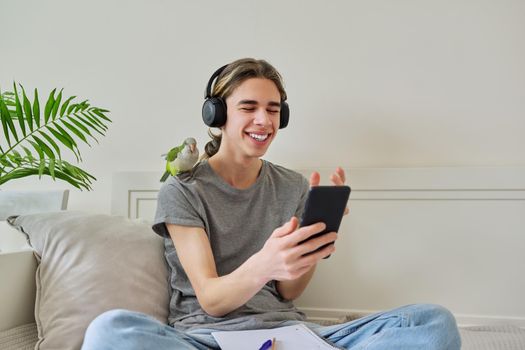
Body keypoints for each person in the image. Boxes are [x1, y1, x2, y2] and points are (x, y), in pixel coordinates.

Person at [82, 58, 461, 349]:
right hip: (206, 338)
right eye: (248, 107)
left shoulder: (292, 185)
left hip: (287, 335)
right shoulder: (184, 188)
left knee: (432, 322)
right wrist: (265, 263)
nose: (264, 121)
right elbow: (212, 300)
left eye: (274, 109)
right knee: (110, 331)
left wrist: (311, 245)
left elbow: (289, 292)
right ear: (216, 114)